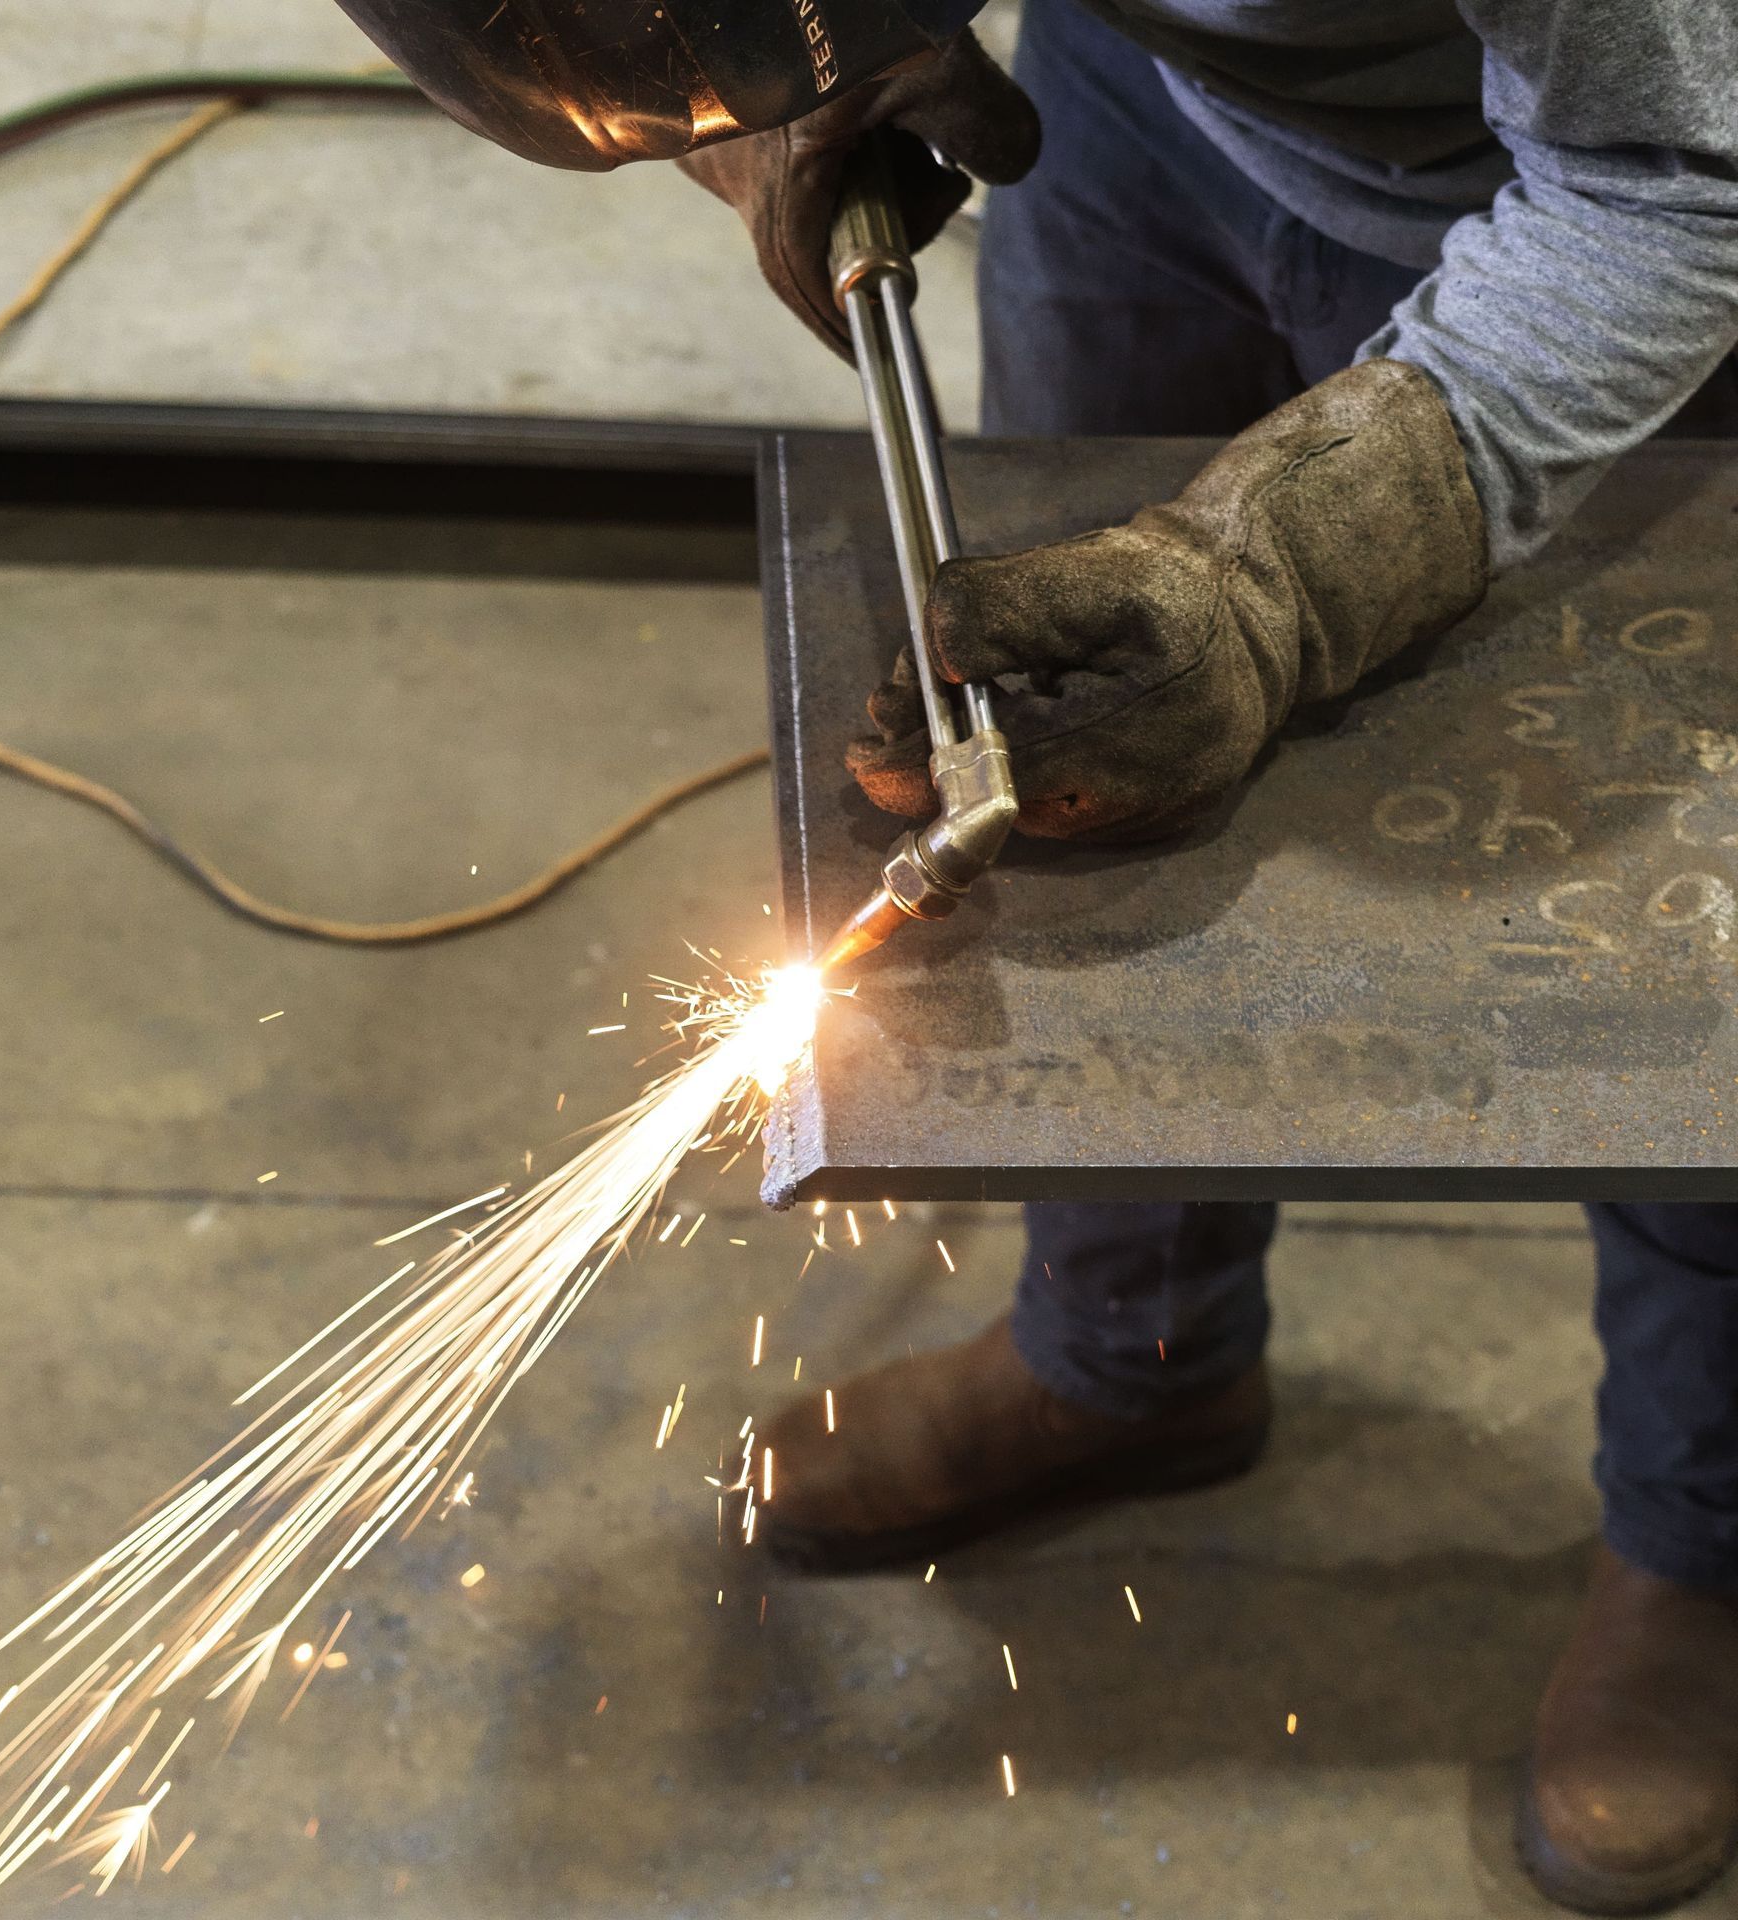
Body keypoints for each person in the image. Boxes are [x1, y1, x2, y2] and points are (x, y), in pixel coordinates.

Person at [332, 1, 1738, 1908]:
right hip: (1140, 119)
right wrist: (802, 80)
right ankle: (1133, 1354)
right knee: (1085, 741)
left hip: (1627, 191)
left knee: (1656, 940)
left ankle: (1698, 1549)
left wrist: (1284, 572)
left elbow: (1674, 175)